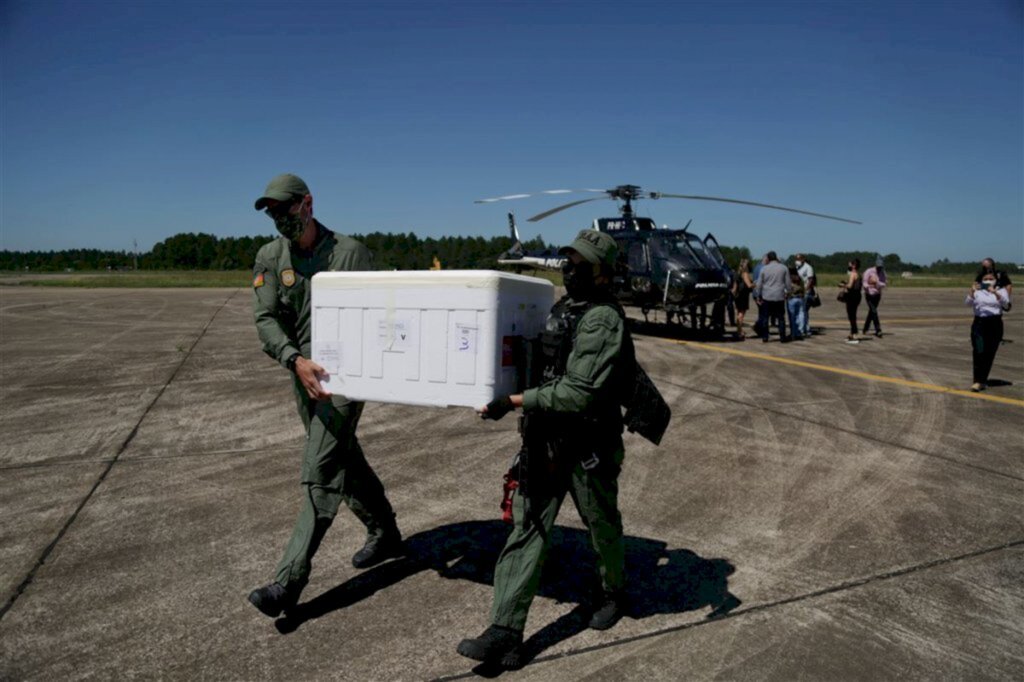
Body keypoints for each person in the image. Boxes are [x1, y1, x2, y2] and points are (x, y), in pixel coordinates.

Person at [457, 229, 635, 668]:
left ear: (603, 272)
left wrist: (514, 401)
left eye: (581, 263)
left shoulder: (603, 319)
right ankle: (505, 631)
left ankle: (612, 591)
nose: (570, 269)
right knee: (527, 526)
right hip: (546, 437)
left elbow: (578, 392)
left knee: (601, 524)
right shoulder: (565, 308)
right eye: (568, 260)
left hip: (588, 442)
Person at [247, 173, 403, 618]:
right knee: (343, 457)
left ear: (308, 203)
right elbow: (266, 318)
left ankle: (288, 581)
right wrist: (294, 359)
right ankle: (385, 531)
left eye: (285, 208)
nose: (279, 218)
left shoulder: (351, 253)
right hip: (303, 375)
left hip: (345, 381)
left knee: (320, 468)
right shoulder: (270, 257)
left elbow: (382, 316)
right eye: (272, 213)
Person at [966, 272, 1011, 391]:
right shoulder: (977, 291)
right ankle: (977, 381)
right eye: (985, 279)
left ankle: (982, 380)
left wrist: (995, 293)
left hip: (995, 324)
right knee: (979, 351)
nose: (988, 280)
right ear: (981, 280)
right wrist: (971, 292)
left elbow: (1006, 305)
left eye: (991, 278)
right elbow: (967, 303)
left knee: (989, 353)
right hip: (979, 324)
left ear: (996, 280)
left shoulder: (1001, 291)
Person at [754, 251, 791, 342]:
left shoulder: (764, 269)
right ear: (776, 258)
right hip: (779, 296)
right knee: (781, 317)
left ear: (768, 259)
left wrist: (758, 295)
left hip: (767, 296)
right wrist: (788, 292)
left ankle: (765, 337)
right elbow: (788, 283)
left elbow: (759, 284)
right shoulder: (784, 268)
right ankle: (782, 337)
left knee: (765, 317)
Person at [862, 257, 887, 337]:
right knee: (874, 311)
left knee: (872, 312)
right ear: (876, 265)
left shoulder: (883, 273)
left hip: (877, 295)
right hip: (869, 295)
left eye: (881, 267)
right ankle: (878, 330)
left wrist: (876, 282)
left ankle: (865, 328)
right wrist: (869, 285)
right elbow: (864, 282)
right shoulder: (869, 271)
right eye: (878, 267)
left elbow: (884, 283)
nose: (879, 269)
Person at [839, 258, 862, 343]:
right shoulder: (858, 274)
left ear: (854, 265)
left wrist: (843, 285)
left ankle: (855, 335)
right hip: (857, 295)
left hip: (852, 296)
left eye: (851, 264)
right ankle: (852, 334)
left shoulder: (853, 274)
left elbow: (850, 286)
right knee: (853, 315)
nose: (849, 265)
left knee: (851, 316)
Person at [732, 258, 754, 339]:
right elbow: (749, 285)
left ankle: (739, 330)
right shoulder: (745, 274)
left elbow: (734, 287)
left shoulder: (737, 273)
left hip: (738, 295)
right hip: (743, 295)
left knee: (739, 313)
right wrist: (756, 284)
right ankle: (740, 331)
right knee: (741, 314)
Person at [794, 254, 815, 337]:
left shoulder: (808, 267)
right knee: (801, 311)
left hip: (805, 291)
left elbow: (810, 280)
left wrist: (806, 289)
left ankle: (804, 329)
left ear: (803, 259)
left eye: (799, 259)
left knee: (803, 310)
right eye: (796, 259)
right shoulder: (797, 267)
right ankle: (805, 328)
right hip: (799, 291)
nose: (797, 260)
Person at [786, 267, 806, 341]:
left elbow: (788, 289)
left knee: (792, 317)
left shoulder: (789, 279)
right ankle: (800, 331)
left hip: (792, 298)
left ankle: (793, 333)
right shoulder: (800, 279)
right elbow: (803, 288)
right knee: (800, 316)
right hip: (800, 298)